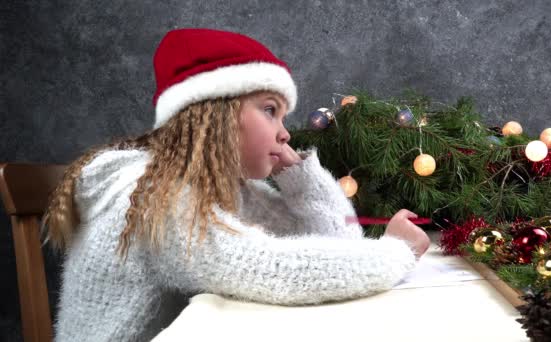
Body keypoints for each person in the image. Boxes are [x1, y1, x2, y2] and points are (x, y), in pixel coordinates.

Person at [42, 28, 430, 341]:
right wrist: (398, 253)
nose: (285, 134)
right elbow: (275, 269)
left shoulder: (228, 189)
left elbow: (339, 247)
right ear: (217, 115)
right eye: (269, 111)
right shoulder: (152, 195)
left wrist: (301, 179)